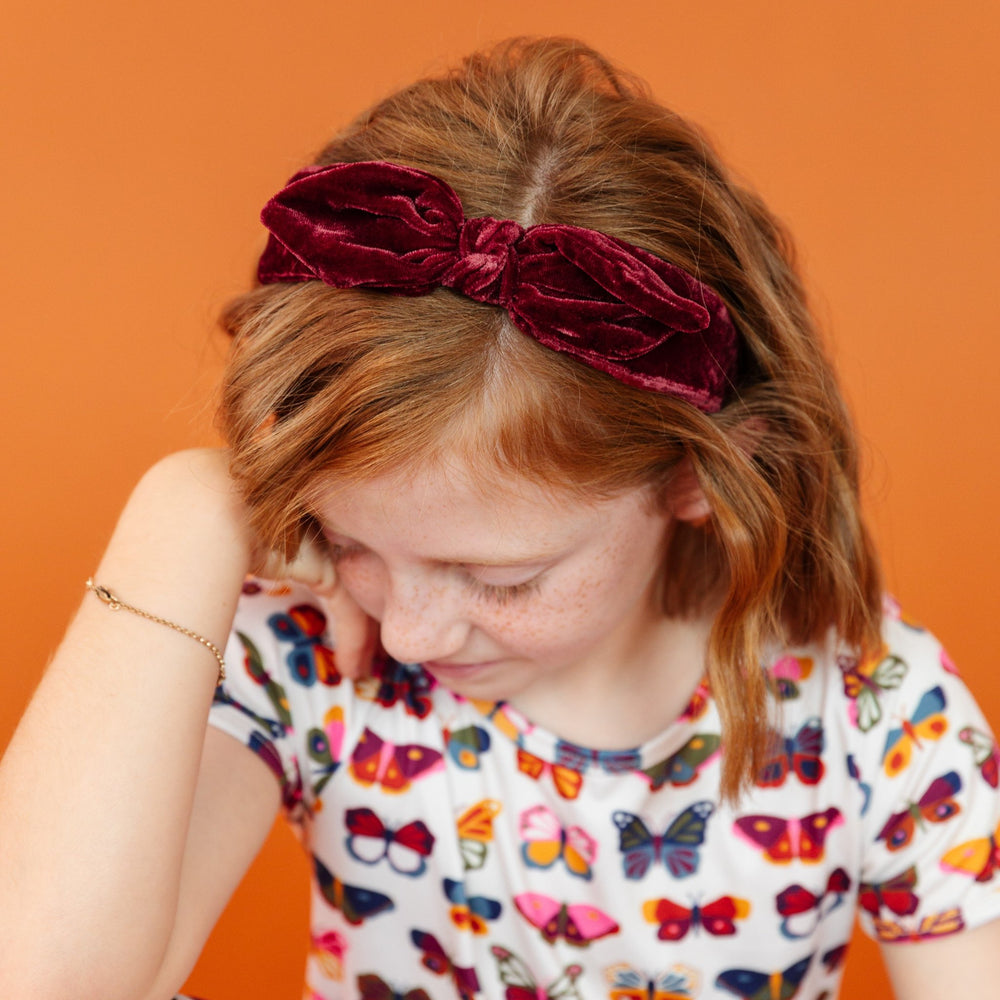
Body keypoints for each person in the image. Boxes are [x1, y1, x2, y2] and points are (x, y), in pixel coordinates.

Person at [1, 36, 998, 1000]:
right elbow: (42, 978)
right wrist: (192, 505)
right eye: (350, 542)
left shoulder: (873, 716)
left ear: (701, 472)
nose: (407, 632)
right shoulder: (308, 656)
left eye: (500, 577)